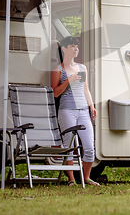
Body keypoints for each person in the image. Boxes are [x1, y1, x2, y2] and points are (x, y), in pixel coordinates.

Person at [51, 36, 99, 186]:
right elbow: (55, 93)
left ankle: (86, 178)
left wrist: (91, 105)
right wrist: (68, 81)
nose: (76, 49)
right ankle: (71, 180)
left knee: (89, 146)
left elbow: (86, 89)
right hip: (67, 110)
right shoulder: (58, 70)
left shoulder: (82, 67)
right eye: (72, 46)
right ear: (64, 49)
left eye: (77, 46)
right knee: (69, 147)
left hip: (83, 110)